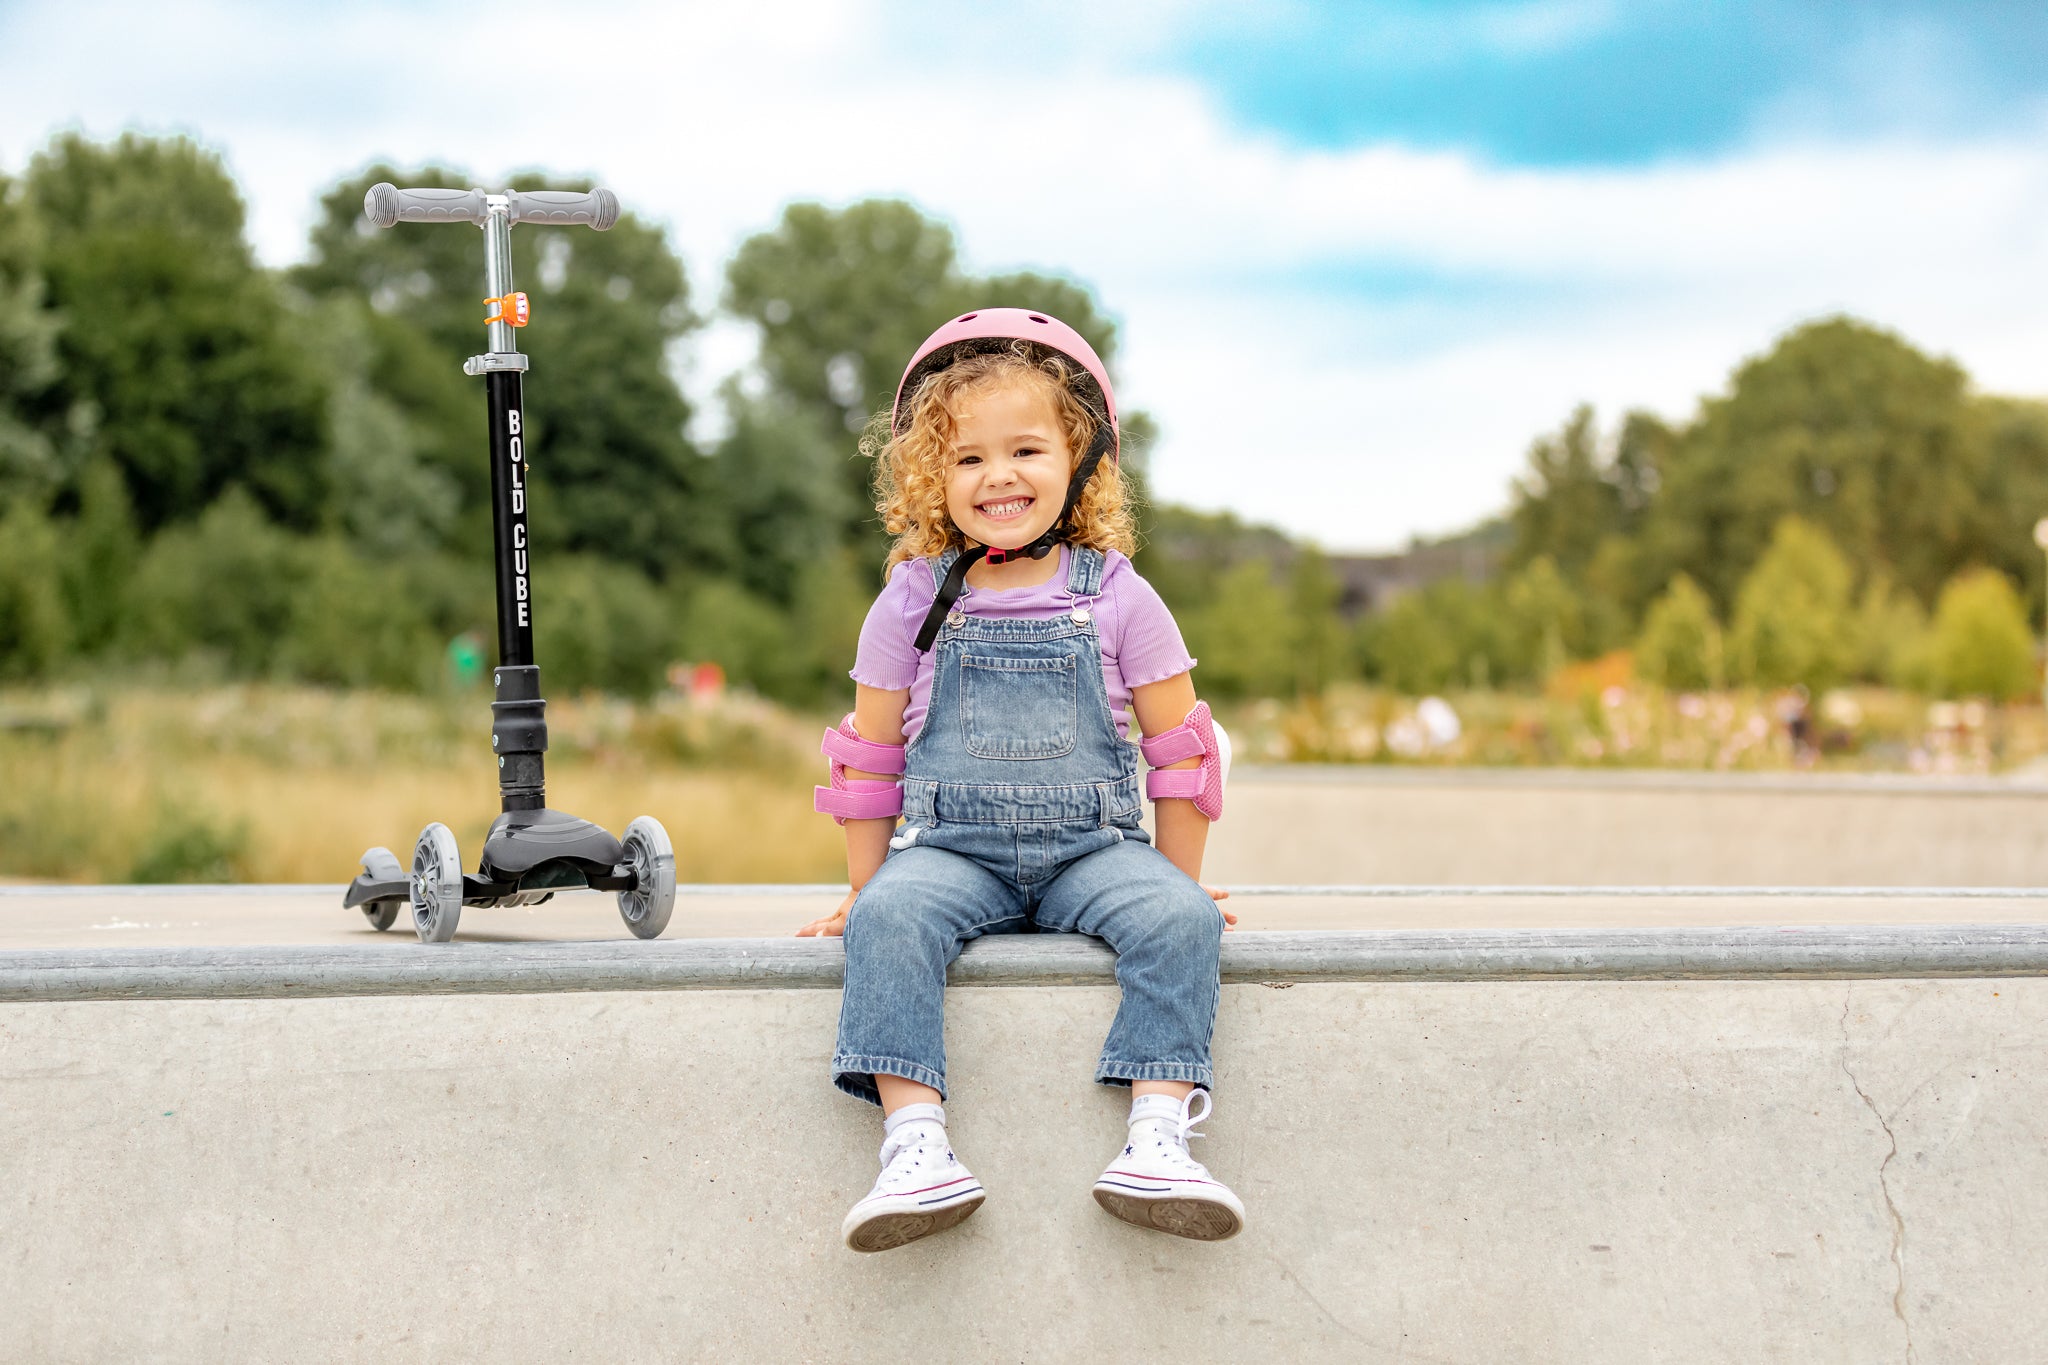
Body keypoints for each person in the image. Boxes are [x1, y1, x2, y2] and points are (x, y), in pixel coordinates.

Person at [796, 308, 1242, 1253]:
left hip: (1094, 849)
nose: (998, 476)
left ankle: (1157, 1135)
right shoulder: (912, 598)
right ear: (932, 477)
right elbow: (869, 763)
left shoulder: (1116, 591)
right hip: (953, 851)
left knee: (1183, 923)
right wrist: (862, 887)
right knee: (888, 920)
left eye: (1027, 449)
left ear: (1082, 460)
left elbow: (1183, 753)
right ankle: (915, 1144)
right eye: (967, 459)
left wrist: (1181, 877)